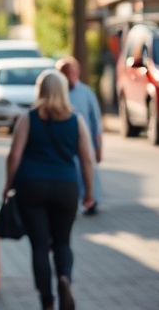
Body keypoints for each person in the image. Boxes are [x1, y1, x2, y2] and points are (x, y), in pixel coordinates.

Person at [4, 70, 95, 310]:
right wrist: (89, 192)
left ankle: (47, 301)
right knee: (63, 242)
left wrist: (8, 185)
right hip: (66, 188)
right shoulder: (76, 120)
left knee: (40, 246)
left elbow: (14, 155)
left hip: (31, 187)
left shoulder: (28, 118)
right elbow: (87, 159)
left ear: (41, 91)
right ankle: (64, 279)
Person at [56, 57, 103, 214]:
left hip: (85, 141)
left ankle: (91, 200)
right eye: (64, 72)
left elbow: (95, 121)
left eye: (71, 72)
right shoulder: (55, 95)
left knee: (88, 169)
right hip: (64, 144)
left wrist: (98, 147)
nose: (68, 75)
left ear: (77, 72)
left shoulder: (86, 93)